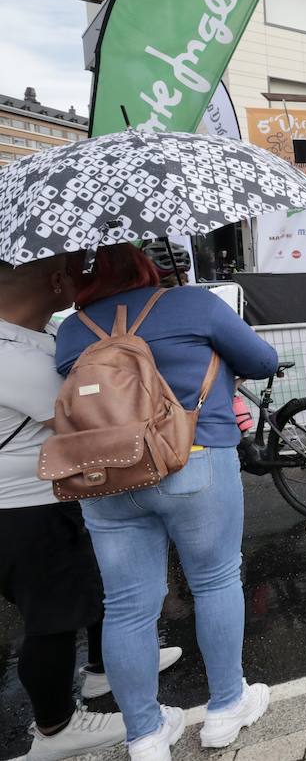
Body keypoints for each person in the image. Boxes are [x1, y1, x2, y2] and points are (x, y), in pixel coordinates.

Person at [56, 244, 280, 761]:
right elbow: (263, 361)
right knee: (216, 580)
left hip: (105, 475)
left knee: (128, 606)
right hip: (193, 458)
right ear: (148, 267)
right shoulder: (192, 304)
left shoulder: (72, 330)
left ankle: (145, 735)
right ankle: (226, 707)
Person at [0, 255, 141, 761]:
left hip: (44, 500)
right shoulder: (10, 356)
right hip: (25, 510)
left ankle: (105, 670)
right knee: (52, 620)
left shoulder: (33, 337)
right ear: (56, 281)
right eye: (71, 270)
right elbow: (84, 412)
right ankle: (55, 728)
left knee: (91, 587)